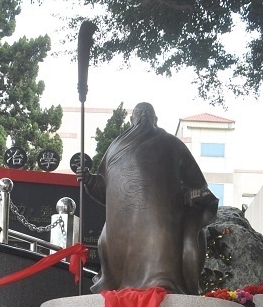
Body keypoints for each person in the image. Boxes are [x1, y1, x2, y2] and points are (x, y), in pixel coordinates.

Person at [78, 102, 218, 294]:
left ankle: (163, 281)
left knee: (161, 259)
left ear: (155, 119)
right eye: (139, 114)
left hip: (161, 226)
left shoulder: (172, 144)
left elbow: (199, 186)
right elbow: (105, 191)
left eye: (147, 114)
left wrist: (194, 195)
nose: (142, 117)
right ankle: (116, 279)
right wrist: (90, 181)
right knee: (111, 242)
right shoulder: (114, 148)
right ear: (132, 119)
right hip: (120, 233)